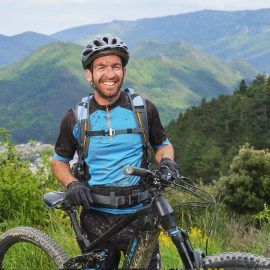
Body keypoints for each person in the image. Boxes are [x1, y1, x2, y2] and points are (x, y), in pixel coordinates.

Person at [51, 34, 179, 270]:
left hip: (140, 218)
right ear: (89, 74)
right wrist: (72, 184)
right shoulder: (76, 117)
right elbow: (59, 162)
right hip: (95, 220)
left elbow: (162, 145)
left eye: (115, 67)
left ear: (124, 72)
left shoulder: (143, 109)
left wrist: (167, 161)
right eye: (101, 67)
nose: (110, 74)